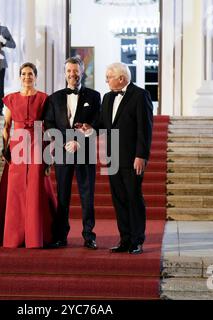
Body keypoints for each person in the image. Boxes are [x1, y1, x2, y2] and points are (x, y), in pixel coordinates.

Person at [0, 63, 57, 249]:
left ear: (36, 76)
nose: (27, 77)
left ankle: (34, 236)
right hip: (17, 145)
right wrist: (4, 149)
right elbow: (7, 126)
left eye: (31, 74)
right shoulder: (11, 99)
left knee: (34, 189)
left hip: (36, 144)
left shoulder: (43, 98)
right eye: (24, 74)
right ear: (20, 77)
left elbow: (49, 128)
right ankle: (13, 237)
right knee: (16, 191)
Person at [95, 63, 153, 255]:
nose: (106, 80)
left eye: (109, 77)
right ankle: (125, 239)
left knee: (133, 198)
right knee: (119, 199)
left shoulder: (140, 95)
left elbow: (144, 129)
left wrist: (141, 155)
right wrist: (89, 129)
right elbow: (103, 125)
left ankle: (137, 240)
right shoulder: (107, 97)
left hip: (132, 158)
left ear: (121, 78)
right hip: (113, 158)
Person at [43, 57, 101, 250]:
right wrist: (64, 142)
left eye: (76, 71)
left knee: (87, 195)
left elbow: (97, 124)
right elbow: (49, 124)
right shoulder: (54, 97)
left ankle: (89, 236)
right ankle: (60, 236)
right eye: (69, 71)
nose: (72, 74)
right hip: (62, 151)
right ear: (65, 72)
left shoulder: (94, 96)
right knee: (63, 196)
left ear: (82, 72)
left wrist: (78, 141)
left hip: (85, 151)